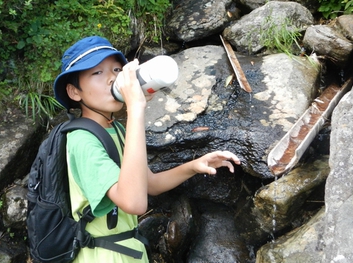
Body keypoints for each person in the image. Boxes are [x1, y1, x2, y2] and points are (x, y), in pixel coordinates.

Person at [53, 36, 241, 262]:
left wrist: (194, 166)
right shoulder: (82, 140)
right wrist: (135, 108)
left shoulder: (118, 130)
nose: (112, 78)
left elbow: (148, 184)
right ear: (75, 92)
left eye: (116, 69)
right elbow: (134, 202)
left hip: (130, 251)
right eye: (97, 73)